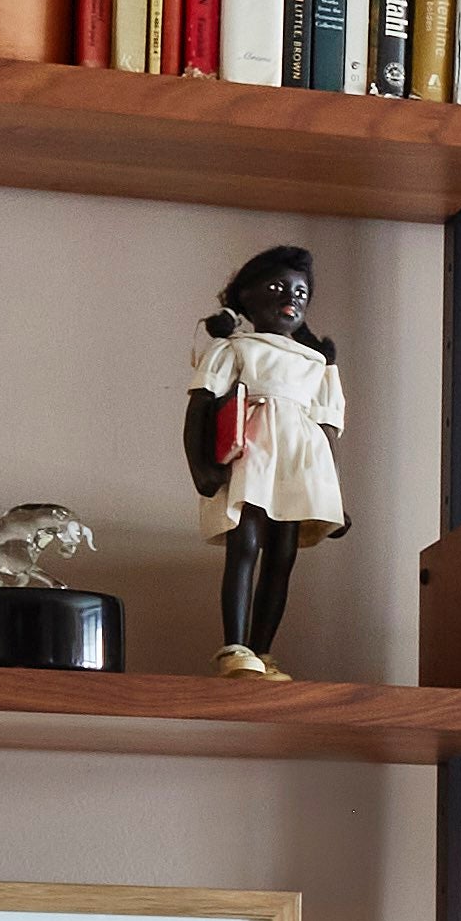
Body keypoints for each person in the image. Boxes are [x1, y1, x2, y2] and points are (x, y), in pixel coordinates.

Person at [184, 243, 344, 678]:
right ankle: (235, 647)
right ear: (247, 296)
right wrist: (202, 468)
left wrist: (333, 494)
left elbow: (327, 428)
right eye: (276, 286)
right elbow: (200, 408)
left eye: (300, 292)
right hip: (252, 457)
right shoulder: (234, 350)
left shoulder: (319, 365)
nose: (290, 298)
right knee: (245, 544)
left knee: (282, 554)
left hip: (299, 465)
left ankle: (263, 650)